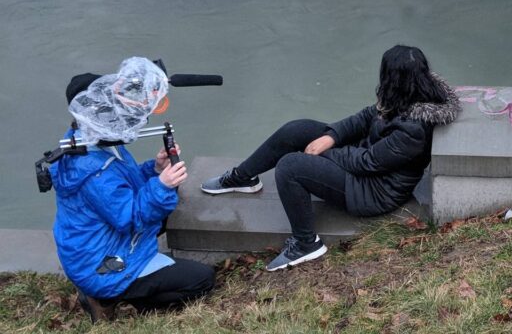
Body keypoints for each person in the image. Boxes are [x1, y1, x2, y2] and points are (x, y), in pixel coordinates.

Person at [201, 45, 460, 271]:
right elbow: (365, 117)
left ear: (395, 78)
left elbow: (368, 162)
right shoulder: (407, 93)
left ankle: (305, 243)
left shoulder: (413, 130)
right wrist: (332, 136)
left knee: (290, 166)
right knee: (298, 129)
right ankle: (242, 177)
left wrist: (323, 152)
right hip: (369, 160)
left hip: (373, 191)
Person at [51, 58, 215, 322]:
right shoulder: (93, 168)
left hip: (88, 248)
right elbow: (129, 216)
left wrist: (154, 169)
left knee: (163, 208)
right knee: (201, 279)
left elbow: (119, 186)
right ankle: (107, 298)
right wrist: (163, 185)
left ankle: (117, 285)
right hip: (100, 265)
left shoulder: (87, 139)